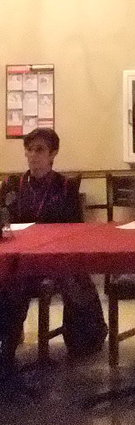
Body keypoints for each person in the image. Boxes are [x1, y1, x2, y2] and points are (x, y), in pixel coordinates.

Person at [0, 129, 106, 384]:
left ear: (53, 154)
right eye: (29, 149)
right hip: (21, 257)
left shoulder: (65, 186)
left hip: (55, 258)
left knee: (74, 280)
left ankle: (83, 337)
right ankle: (7, 349)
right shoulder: (14, 185)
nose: (33, 155)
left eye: (39, 150)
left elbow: (75, 229)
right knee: (10, 281)